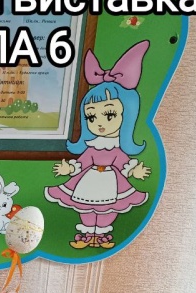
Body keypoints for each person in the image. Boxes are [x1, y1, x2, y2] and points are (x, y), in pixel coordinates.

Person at [45, 41, 151, 249]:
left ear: (127, 115)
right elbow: (82, 163)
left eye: (109, 115)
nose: (99, 123)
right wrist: (69, 169)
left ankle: (100, 236)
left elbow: (123, 164)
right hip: (89, 181)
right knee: (85, 207)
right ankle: (87, 235)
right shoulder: (93, 146)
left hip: (111, 183)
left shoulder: (116, 148)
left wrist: (134, 171)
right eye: (91, 117)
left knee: (108, 210)